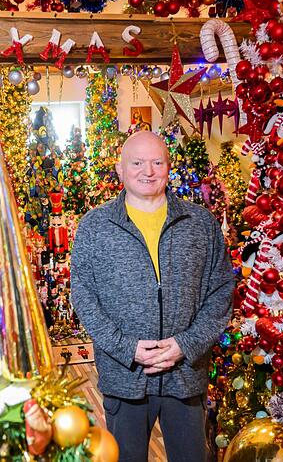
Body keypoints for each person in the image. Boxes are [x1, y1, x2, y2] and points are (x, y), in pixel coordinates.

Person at [71, 131, 235, 462]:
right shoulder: (96, 225)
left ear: (168, 167)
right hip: (124, 378)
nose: (148, 171)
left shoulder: (200, 223)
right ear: (120, 170)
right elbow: (83, 295)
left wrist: (185, 345)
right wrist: (126, 348)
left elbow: (221, 291)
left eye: (157, 162)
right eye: (137, 163)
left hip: (185, 376)